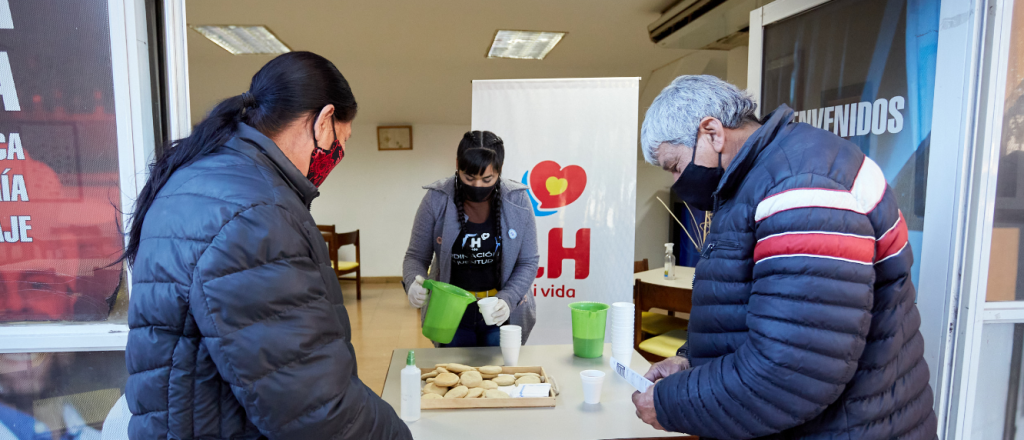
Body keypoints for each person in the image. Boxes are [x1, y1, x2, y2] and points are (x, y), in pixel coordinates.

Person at [123, 52, 411, 440]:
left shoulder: (197, 179)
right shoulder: (257, 214)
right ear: (323, 121)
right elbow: (314, 408)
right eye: (341, 142)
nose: (336, 156)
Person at [631, 75, 937, 439]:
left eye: (675, 165)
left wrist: (671, 403)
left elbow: (792, 371)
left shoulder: (803, 187)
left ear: (712, 133)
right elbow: (753, 313)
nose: (676, 181)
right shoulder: (761, 179)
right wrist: (690, 362)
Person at [403, 131, 538, 346]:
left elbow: (528, 261)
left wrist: (509, 298)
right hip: (450, 312)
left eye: (487, 179)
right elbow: (416, 256)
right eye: (469, 178)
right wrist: (413, 282)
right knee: (454, 367)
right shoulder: (436, 199)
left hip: (499, 312)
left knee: (499, 367)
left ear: (499, 170)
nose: (477, 186)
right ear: (457, 164)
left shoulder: (517, 200)